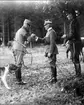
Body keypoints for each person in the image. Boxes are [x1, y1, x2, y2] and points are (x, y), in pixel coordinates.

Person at [36, 20, 58, 84]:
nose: (44, 26)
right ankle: (52, 77)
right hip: (49, 50)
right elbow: (44, 40)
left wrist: (50, 52)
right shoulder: (48, 32)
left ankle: (54, 78)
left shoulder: (52, 32)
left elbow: (52, 43)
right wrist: (37, 38)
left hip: (52, 51)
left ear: (48, 25)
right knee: (51, 64)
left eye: (45, 25)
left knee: (52, 64)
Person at [12, 19, 32, 84]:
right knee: (18, 64)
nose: (29, 27)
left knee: (17, 63)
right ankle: (19, 80)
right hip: (18, 49)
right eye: (29, 26)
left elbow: (22, 40)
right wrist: (32, 36)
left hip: (16, 48)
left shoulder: (19, 30)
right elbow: (29, 38)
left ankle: (18, 79)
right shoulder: (23, 31)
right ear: (26, 25)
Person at [65, 10, 82, 77]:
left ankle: (78, 74)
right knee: (74, 58)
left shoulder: (73, 23)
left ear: (71, 15)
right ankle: (77, 74)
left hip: (75, 42)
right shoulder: (74, 22)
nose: (67, 16)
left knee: (75, 58)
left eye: (68, 14)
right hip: (75, 42)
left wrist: (66, 36)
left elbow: (72, 35)